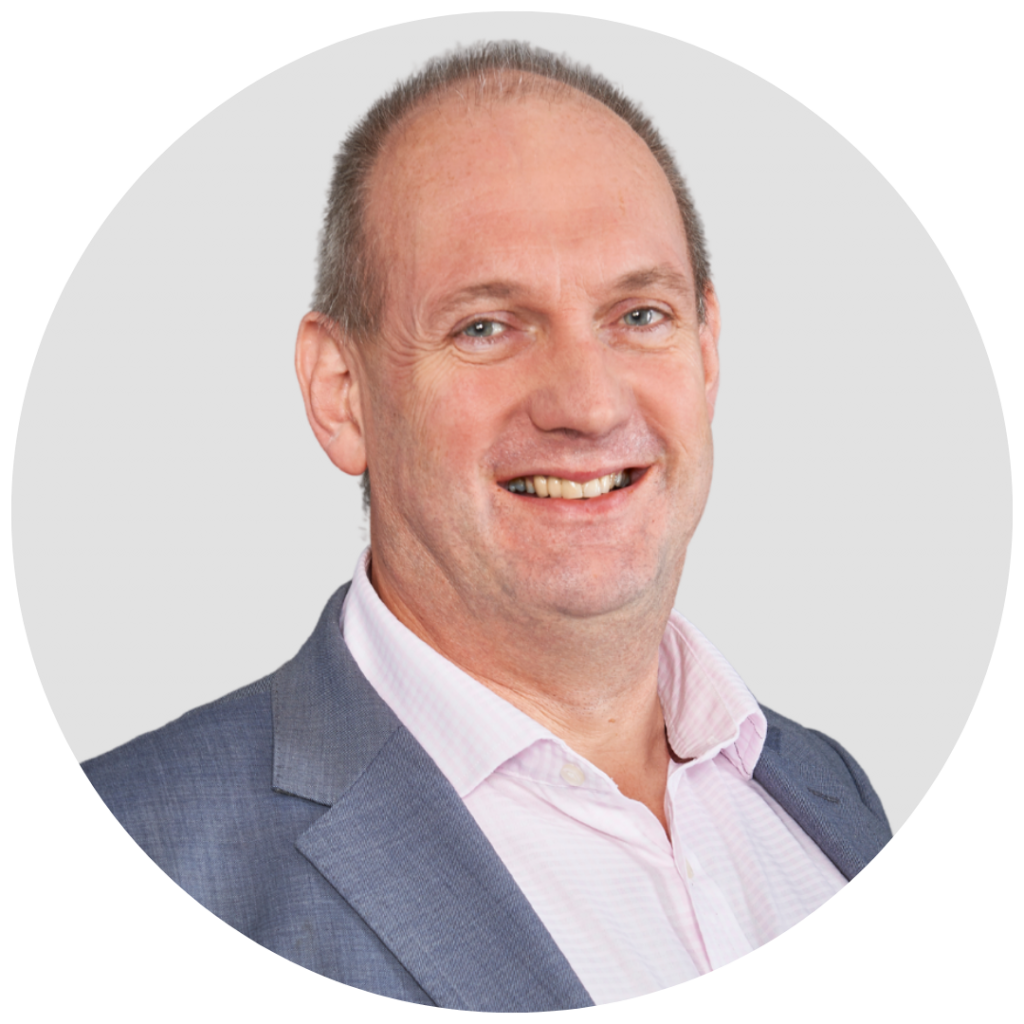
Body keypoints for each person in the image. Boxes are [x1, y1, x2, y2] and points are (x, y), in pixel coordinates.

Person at [80, 41, 892, 1008]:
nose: (588, 404)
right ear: (341, 394)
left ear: (707, 354)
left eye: (639, 315)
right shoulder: (163, 846)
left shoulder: (824, 792)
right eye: (486, 327)